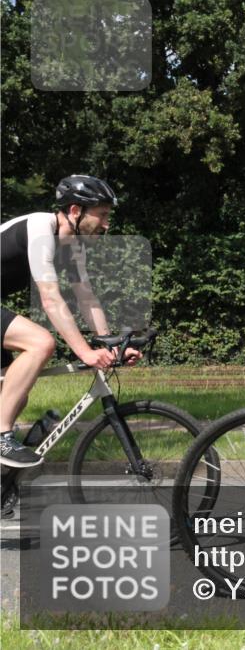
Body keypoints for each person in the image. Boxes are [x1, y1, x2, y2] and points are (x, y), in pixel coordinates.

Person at [1, 175, 140, 467]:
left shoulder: (72, 246)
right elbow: (50, 298)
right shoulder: (41, 228)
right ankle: (2, 438)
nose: (106, 223)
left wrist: (110, 344)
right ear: (75, 211)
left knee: (13, 395)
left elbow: (86, 297)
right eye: (101, 215)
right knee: (41, 343)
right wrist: (85, 353)